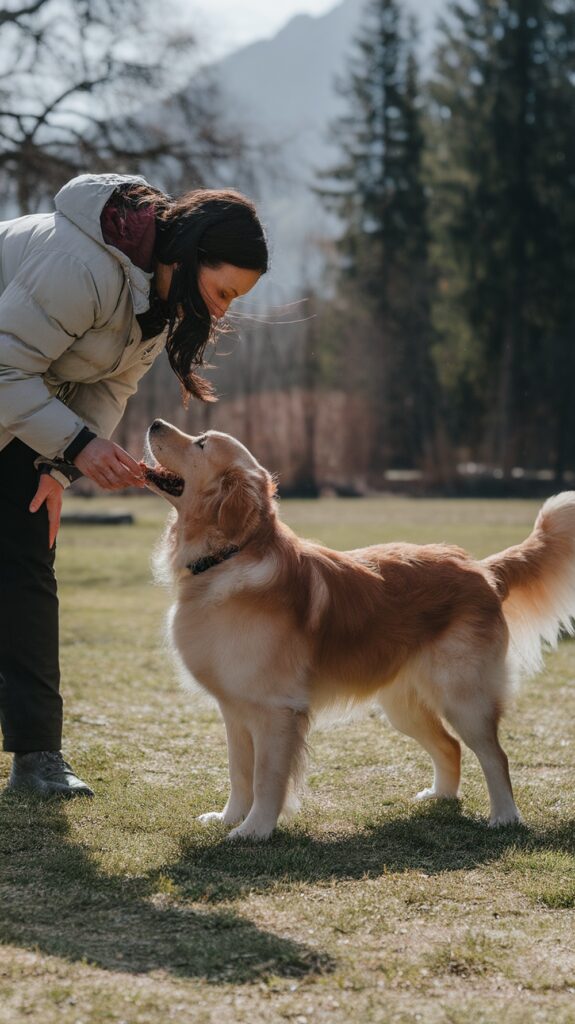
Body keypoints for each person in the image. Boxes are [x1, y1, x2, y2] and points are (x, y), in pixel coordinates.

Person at [0, 172, 268, 797]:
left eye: (236, 299)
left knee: (28, 557)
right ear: (193, 252)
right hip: (10, 379)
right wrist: (77, 445)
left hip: (20, 402)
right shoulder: (84, 267)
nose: (224, 309)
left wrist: (60, 467)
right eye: (223, 290)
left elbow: (106, 388)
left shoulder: (156, 297)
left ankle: (38, 758)